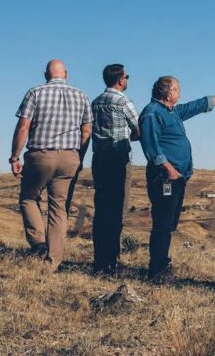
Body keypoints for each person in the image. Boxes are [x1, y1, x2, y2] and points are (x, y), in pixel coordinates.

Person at [138, 76, 215, 281]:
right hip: (165, 178)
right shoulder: (152, 114)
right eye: (177, 90)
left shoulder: (172, 111)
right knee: (163, 222)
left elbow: (197, 106)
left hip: (177, 177)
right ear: (168, 93)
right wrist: (169, 169)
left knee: (170, 222)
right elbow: (150, 146)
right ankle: (157, 270)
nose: (180, 94)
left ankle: (161, 263)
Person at [9, 59, 93, 272]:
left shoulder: (35, 93)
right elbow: (86, 131)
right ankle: (52, 262)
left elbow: (23, 127)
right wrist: (79, 156)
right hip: (70, 157)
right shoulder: (81, 95)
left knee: (28, 197)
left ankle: (38, 243)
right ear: (66, 74)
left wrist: (14, 157)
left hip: (40, 155)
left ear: (45, 74)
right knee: (58, 208)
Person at [89, 64, 140, 275]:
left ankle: (100, 258)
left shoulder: (95, 103)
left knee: (101, 208)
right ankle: (112, 259)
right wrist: (130, 137)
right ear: (120, 80)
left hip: (99, 159)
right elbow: (139, 129)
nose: (127, 80)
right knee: (119, 208)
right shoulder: (124, 102)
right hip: (118, 159)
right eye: (127, 76)